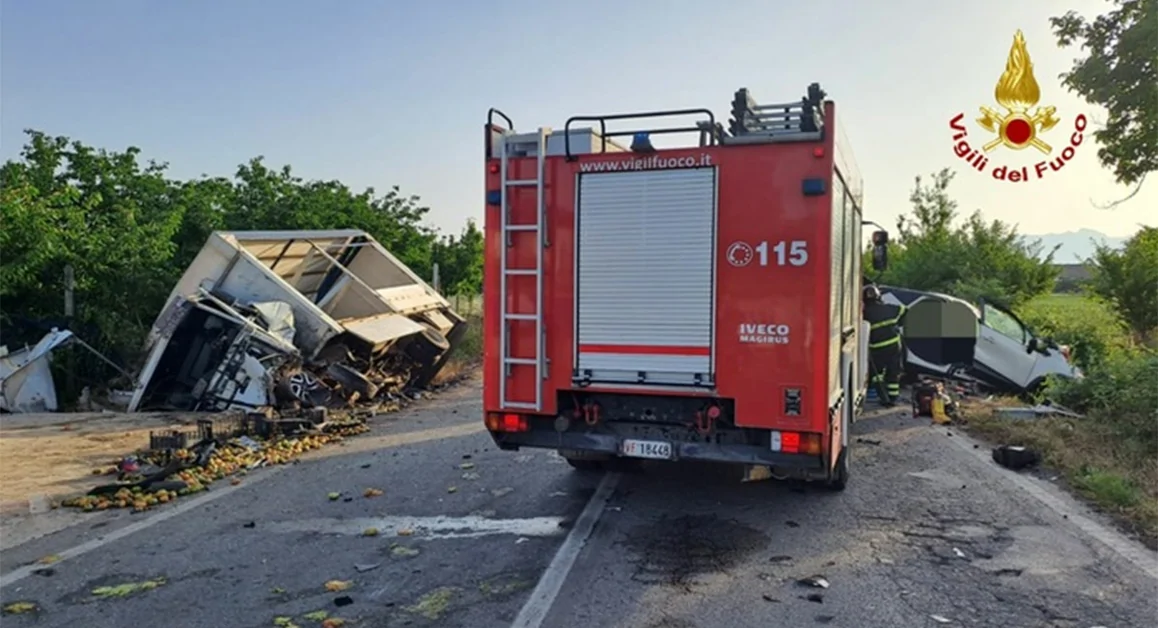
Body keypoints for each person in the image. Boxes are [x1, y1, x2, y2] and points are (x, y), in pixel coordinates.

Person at [862, 284, 906, 406]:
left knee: (877, 374)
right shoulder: (890, 309)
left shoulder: (864, 313)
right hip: (893, 345)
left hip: (875, 348)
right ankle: (892, 397)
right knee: (894, 371)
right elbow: (904, 310)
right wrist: (898, 324)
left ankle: (882, 395)